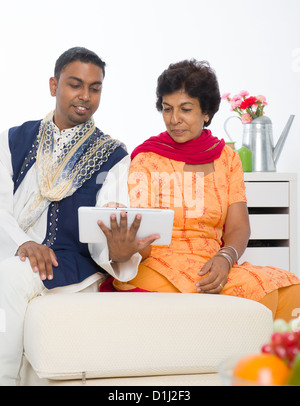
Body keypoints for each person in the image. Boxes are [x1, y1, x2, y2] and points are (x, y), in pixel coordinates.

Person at [0, 47, 157, 386]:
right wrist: (24, 243)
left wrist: (119, 252)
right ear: (54, 85)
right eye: (75, 84)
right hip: (15, 249)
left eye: (95, 87)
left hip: (70, 263)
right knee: (11, 270)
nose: (85, 96)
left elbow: (109, 224)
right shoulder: (14, 139)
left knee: (10, 278)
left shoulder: (112, 154)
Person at [108, 59, 300, 322]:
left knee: (291, 289)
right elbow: (140, 232)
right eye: (167, 109)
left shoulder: (227, 159)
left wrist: (225, 258)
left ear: (206, 112)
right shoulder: (148, 159)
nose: (174, 120)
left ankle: (275, 362)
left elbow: (238, 228)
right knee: (258, 297)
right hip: (157, 265)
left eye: (185, 109)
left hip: (212, 262)